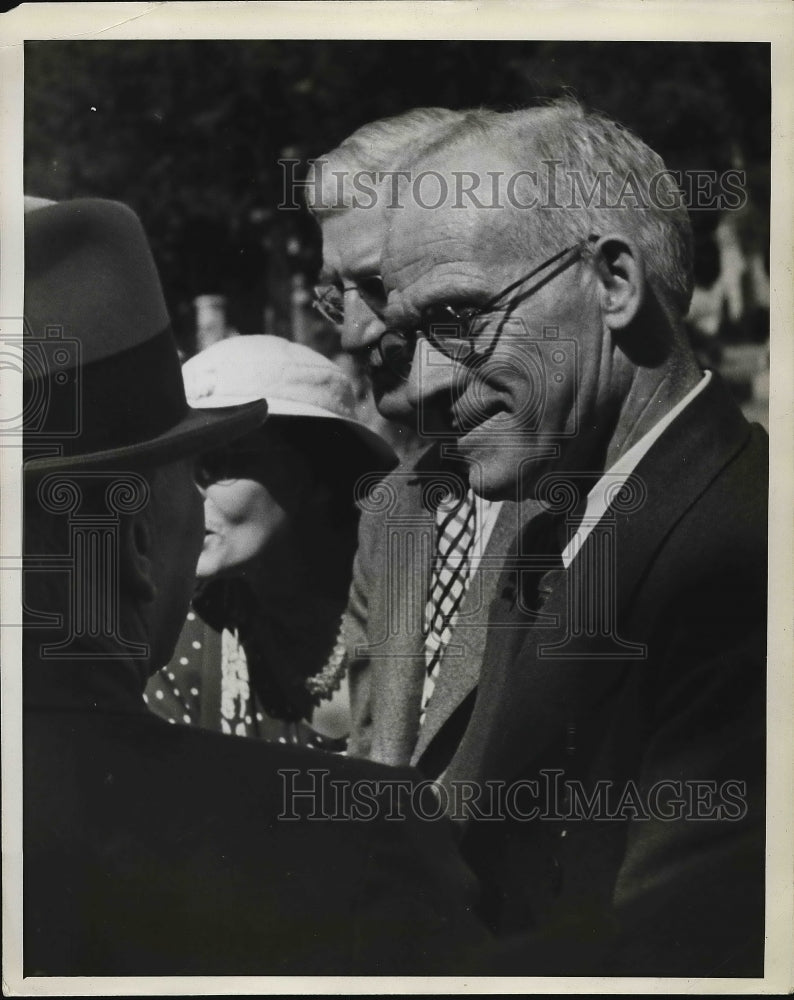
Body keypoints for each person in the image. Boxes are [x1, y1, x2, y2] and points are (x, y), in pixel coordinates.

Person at [21, 196, 490, 976]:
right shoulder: (357, 843)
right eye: (187, 475)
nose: (203, 504)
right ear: (135, 541)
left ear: (316, 479)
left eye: (222, 463)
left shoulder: (439, 611)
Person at [371, 99, 767, 976]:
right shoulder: (554, 521)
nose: (425, 384)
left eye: (461, 319)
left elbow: (672, 955)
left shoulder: (751, 557)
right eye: (408, 336)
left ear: (614, 284)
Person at [308, 111, 542, 771]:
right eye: (338, 294)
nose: (353, 336)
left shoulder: (581, 478)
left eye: (378, 287)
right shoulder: (394, 506)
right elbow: (373, 745)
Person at [145, 334, 395, 750]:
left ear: (317, 473)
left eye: (218, 465)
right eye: (178, 468)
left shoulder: (416, 609)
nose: (190, 496)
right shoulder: (178, 641)